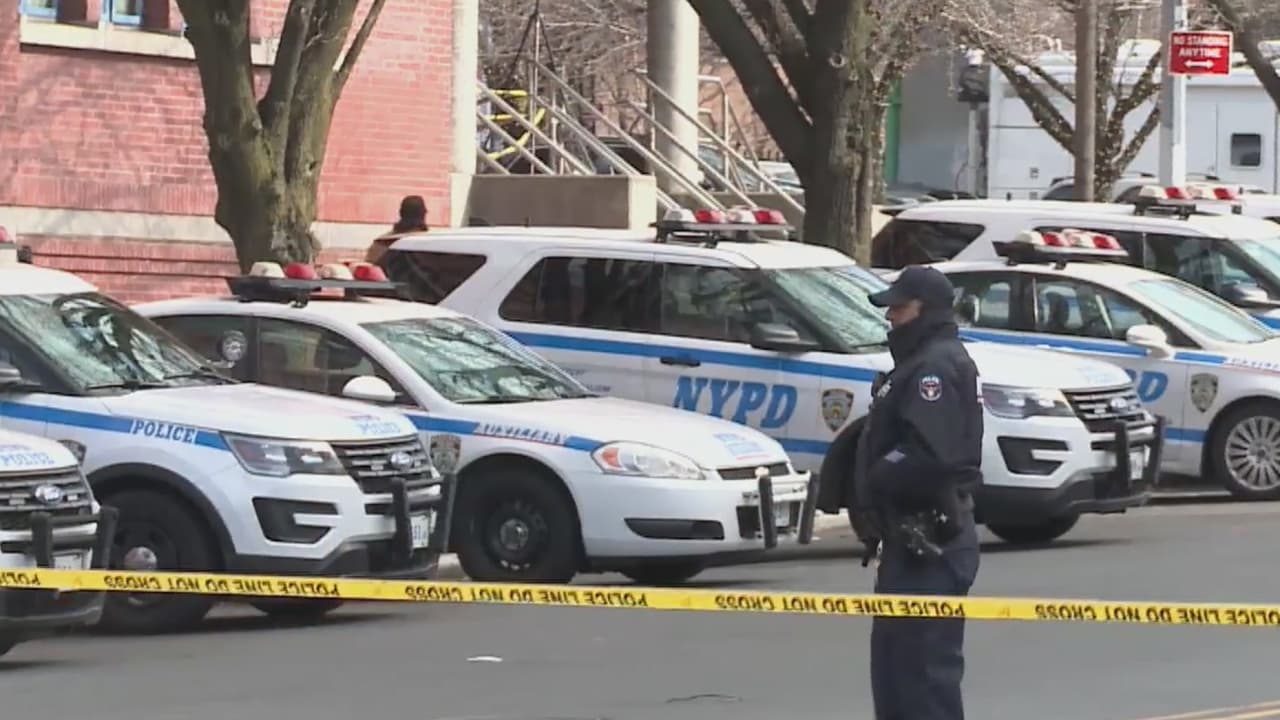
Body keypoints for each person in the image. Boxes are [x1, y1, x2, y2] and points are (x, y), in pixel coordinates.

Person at [857, 265, 984, 720]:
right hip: (910, 542)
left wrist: (878, 475)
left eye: (899, 306)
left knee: (923, 678)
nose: (890, 316)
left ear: (926, 310)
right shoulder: (919, 361)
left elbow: (930, 454)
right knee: (896, 675)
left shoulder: (934, 367)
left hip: (930, 542)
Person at [365, 195, 430, 265]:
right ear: (423, 214)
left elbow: (370, 266)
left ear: (400, 213)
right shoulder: (430, 245)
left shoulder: (382, 242)